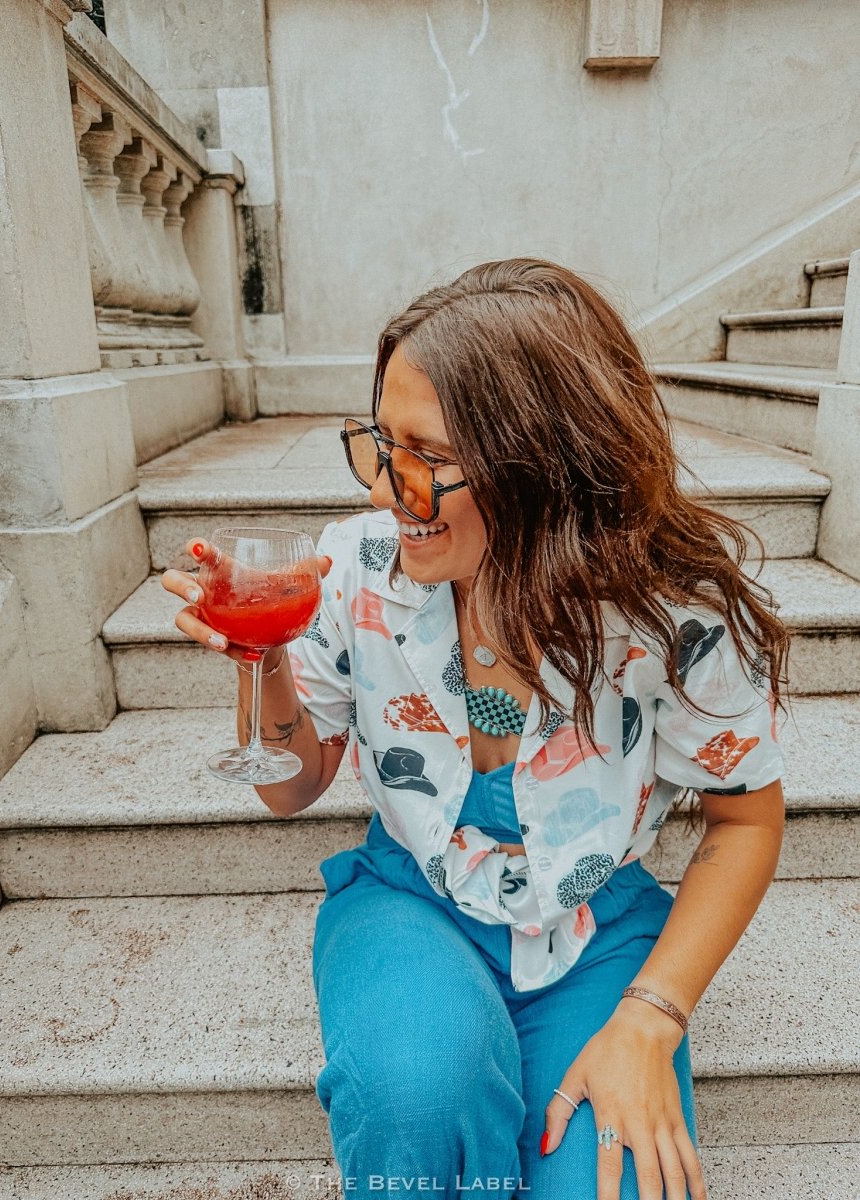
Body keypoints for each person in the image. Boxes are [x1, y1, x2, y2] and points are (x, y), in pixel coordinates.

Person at [162, 257, 791, 1200]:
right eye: (382, 442)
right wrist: (263, 663)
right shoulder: (357, 568)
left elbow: (744, 822)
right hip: (409, 898)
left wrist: (651, 1019)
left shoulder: (674, 617)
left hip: (594, 928)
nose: (385, 489)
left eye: (427, 457)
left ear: (545, 461)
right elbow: (290, 786)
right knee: (416, 1096)